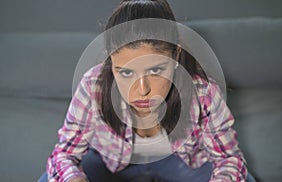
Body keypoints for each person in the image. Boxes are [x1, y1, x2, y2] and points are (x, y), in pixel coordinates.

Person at [40, 0, 254, 181]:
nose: (141, 90)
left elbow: (229, 159)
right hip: (111, 161)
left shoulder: (204, 94)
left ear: (176, 55)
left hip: (183, 161)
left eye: (155, 69)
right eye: (125, 73)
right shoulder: (92, 85)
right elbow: (63, 154)